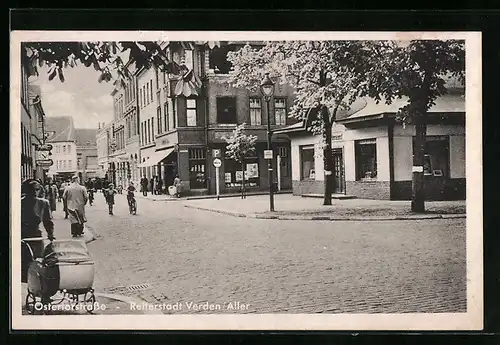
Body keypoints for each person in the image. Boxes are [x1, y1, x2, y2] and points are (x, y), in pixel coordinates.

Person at [21, 179, 55, 258]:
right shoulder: (19, 203)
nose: (35, 192)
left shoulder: (43, 203)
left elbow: (48, 221)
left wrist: (50, 234)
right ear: (26, 190)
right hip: (23, 236)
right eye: (31, 190)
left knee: (39, 258)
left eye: (37, 189)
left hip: (36, 236)